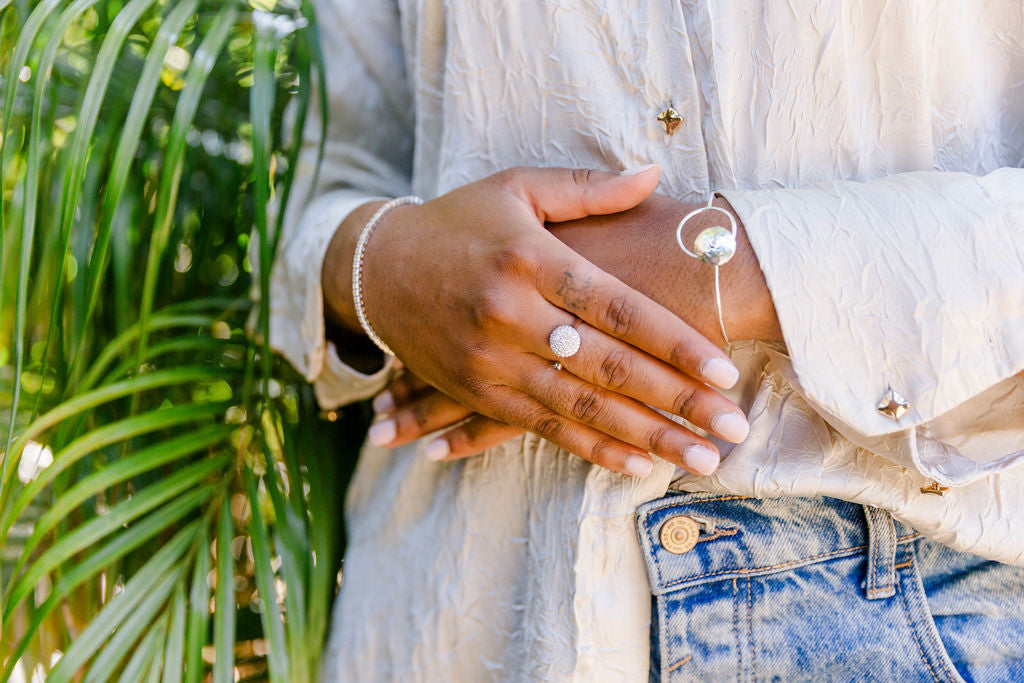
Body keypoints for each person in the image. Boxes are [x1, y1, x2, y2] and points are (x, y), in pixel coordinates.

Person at [270, 1, 1024, 679]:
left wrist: (727, 269)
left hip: (909, 584)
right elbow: (325, 188)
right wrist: (388, 269)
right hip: (461, 608)